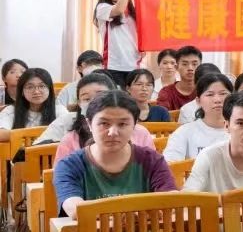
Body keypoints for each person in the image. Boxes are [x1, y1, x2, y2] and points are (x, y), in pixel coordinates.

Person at [53, 90, 176, 218]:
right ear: (89, 124)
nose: (112, 132)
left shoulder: (152, 160)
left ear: (134, 125)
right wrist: (131, 212)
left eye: (122, 124)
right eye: (104, 123)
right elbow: (75, 209)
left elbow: (171, 201)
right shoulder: (69, 165)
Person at [37, 73, 155, 160]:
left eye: (101, 96)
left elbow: (152, 172)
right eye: (86, 99)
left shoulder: (140, 133)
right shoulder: (70, 139)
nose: (94, 102)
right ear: (79, 103)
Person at [163, 73, 232, 162]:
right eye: (210, 94)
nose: (217, 100)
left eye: (223, 94)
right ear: (198, 101)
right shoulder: (185, 132)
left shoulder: (241, 131)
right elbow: (170, 164)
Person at [93, 0, 143, 84]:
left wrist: (143, 48)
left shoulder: (133, 12)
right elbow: (119, 9)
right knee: (117, 95)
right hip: (114, 65)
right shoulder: (102, 7)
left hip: (134, 64)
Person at [0, 67, 65, 143]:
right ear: (22, 91)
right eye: (30, 87)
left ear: (49, 90)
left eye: (42, 86)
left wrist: (23, 135)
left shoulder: (59, 110)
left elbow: (70, 132)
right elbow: (1, 134)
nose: (36, 91)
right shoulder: (11, 110)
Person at [156, 45, 203, 112]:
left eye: (194, 64)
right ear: (176, 67)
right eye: (185, 64)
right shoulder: (166, 93)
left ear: (201, 66)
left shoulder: (205, 91)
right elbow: (162, 116)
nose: (190, 68)